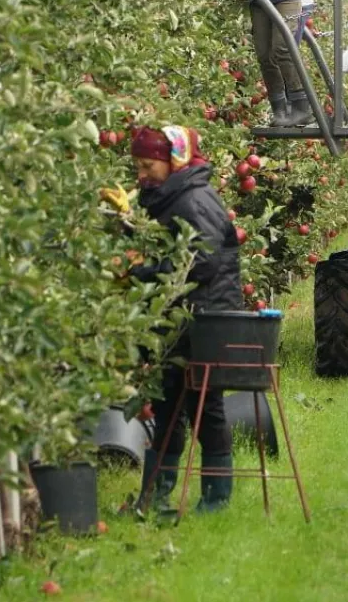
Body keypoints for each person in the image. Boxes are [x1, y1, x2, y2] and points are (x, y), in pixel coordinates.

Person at [103, 125, 243, 515]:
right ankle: (155, 498)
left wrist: (142, 272)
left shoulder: (194, 199)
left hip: (204, 319)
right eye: (138, 166)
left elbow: (203, 261)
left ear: (173, 160)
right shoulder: (169, 196)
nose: (141, 174)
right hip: (177, 318)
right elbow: (158, 237)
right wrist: (127, 222)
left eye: (148, 165)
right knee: (166, 406)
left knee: (205, 407)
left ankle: (215, 501)